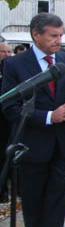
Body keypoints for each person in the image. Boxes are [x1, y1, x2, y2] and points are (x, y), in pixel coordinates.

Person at [1, 13, 65, 227]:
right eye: (53, 35)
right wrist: (49, 117)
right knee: (33, 201)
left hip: (63, 144)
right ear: (36, 35)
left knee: (58, 199)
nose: (59, 40)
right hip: (33, 147)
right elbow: (10, 107)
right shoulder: (15, 64)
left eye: (61, 35)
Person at [0, 43, 12, 203]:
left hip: (10, 120)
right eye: (3, 51)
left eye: (9, 51)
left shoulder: (12, 71)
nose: (7, 54)